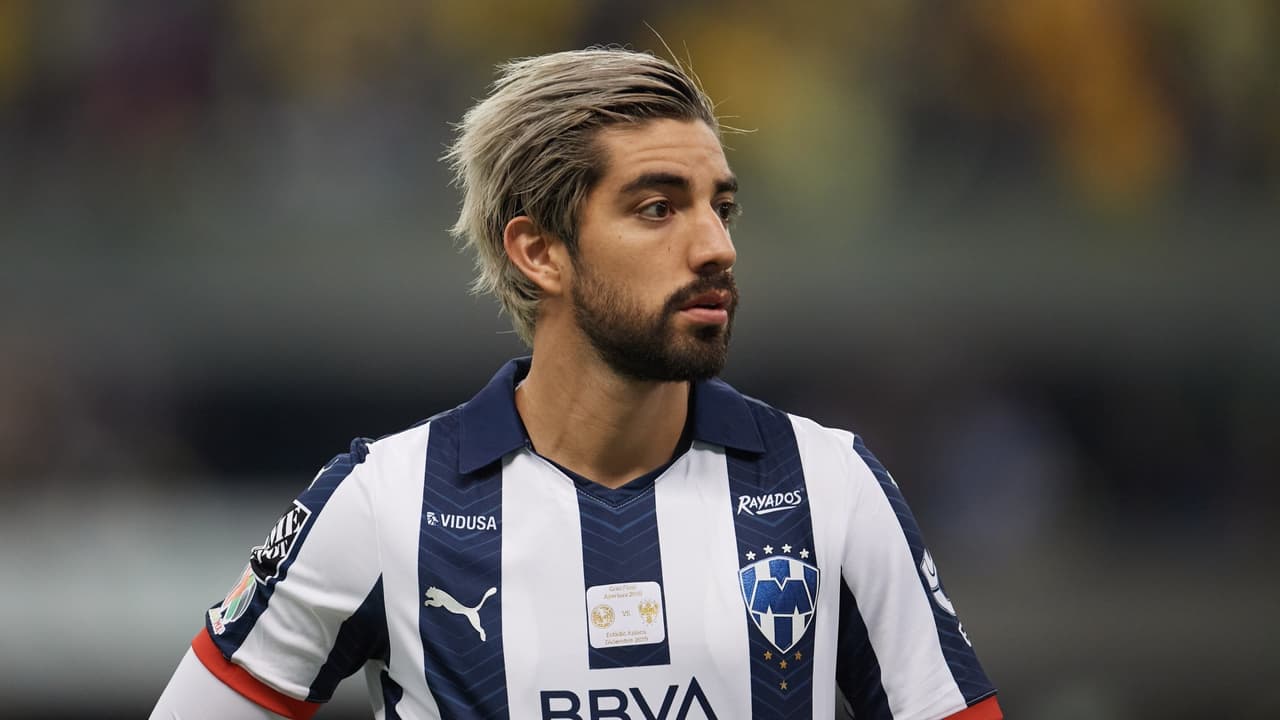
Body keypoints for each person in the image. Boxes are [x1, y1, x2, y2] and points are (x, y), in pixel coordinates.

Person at [152, 47, 1002, 720]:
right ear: (540, 252)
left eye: (721, 207)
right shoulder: (384, 505)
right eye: (658, 208)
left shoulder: (829, 486)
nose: (717, 247)